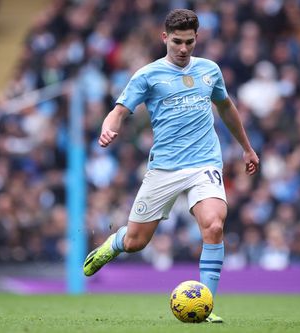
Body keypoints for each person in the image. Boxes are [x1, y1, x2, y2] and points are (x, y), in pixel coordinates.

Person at [83, 9, 259, 323]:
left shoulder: (209, 70)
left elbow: (227, 107)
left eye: (189, 42)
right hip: (164, 169)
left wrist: (246, 148)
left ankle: (206, 307)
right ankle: (114, 243)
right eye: (177, 41)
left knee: (215, 225)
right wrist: (108, 128)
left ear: (196, 39)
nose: (183, 49)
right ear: (165, 37)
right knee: (137, 242)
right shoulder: (147, 75)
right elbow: (120, 110)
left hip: (204, 163)